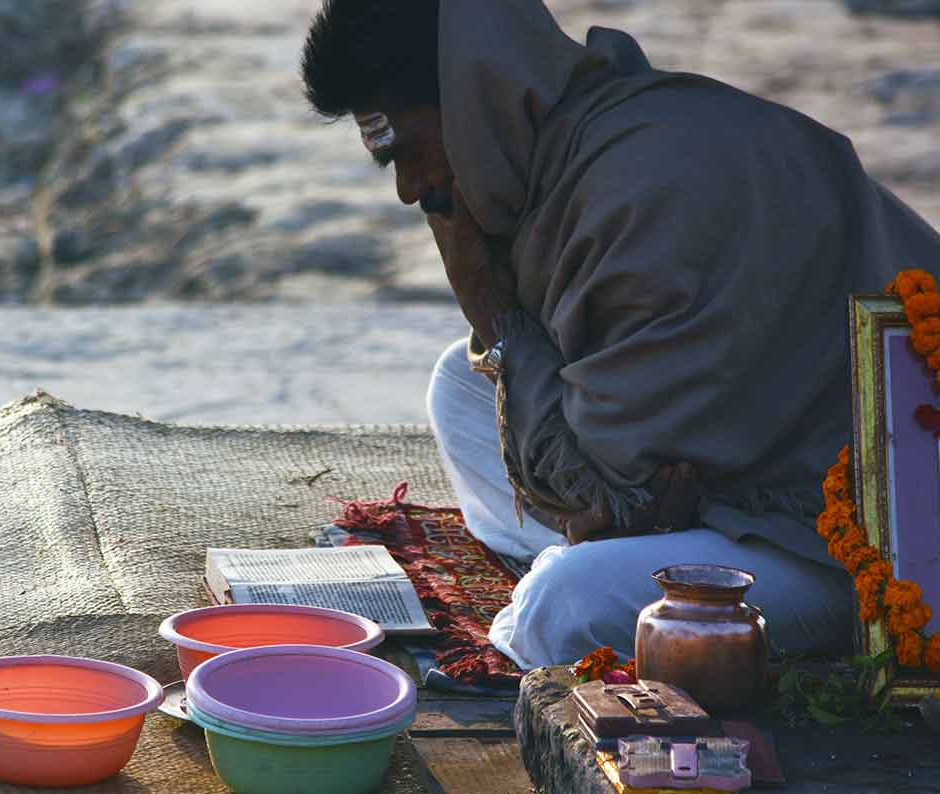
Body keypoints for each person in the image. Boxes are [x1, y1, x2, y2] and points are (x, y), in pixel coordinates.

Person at [300, 0, 940, 668]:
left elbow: (608, 491)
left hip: (856, 548)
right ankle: (591, 554)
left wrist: (492, 314)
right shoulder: (578, 141)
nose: (410, 190)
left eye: (407, 152)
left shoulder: (631, 195)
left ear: (470, 102)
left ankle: (550, 593)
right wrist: (624, 506)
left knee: (560, 606)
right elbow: (625, 485)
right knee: (459, 385)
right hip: (731, 477)